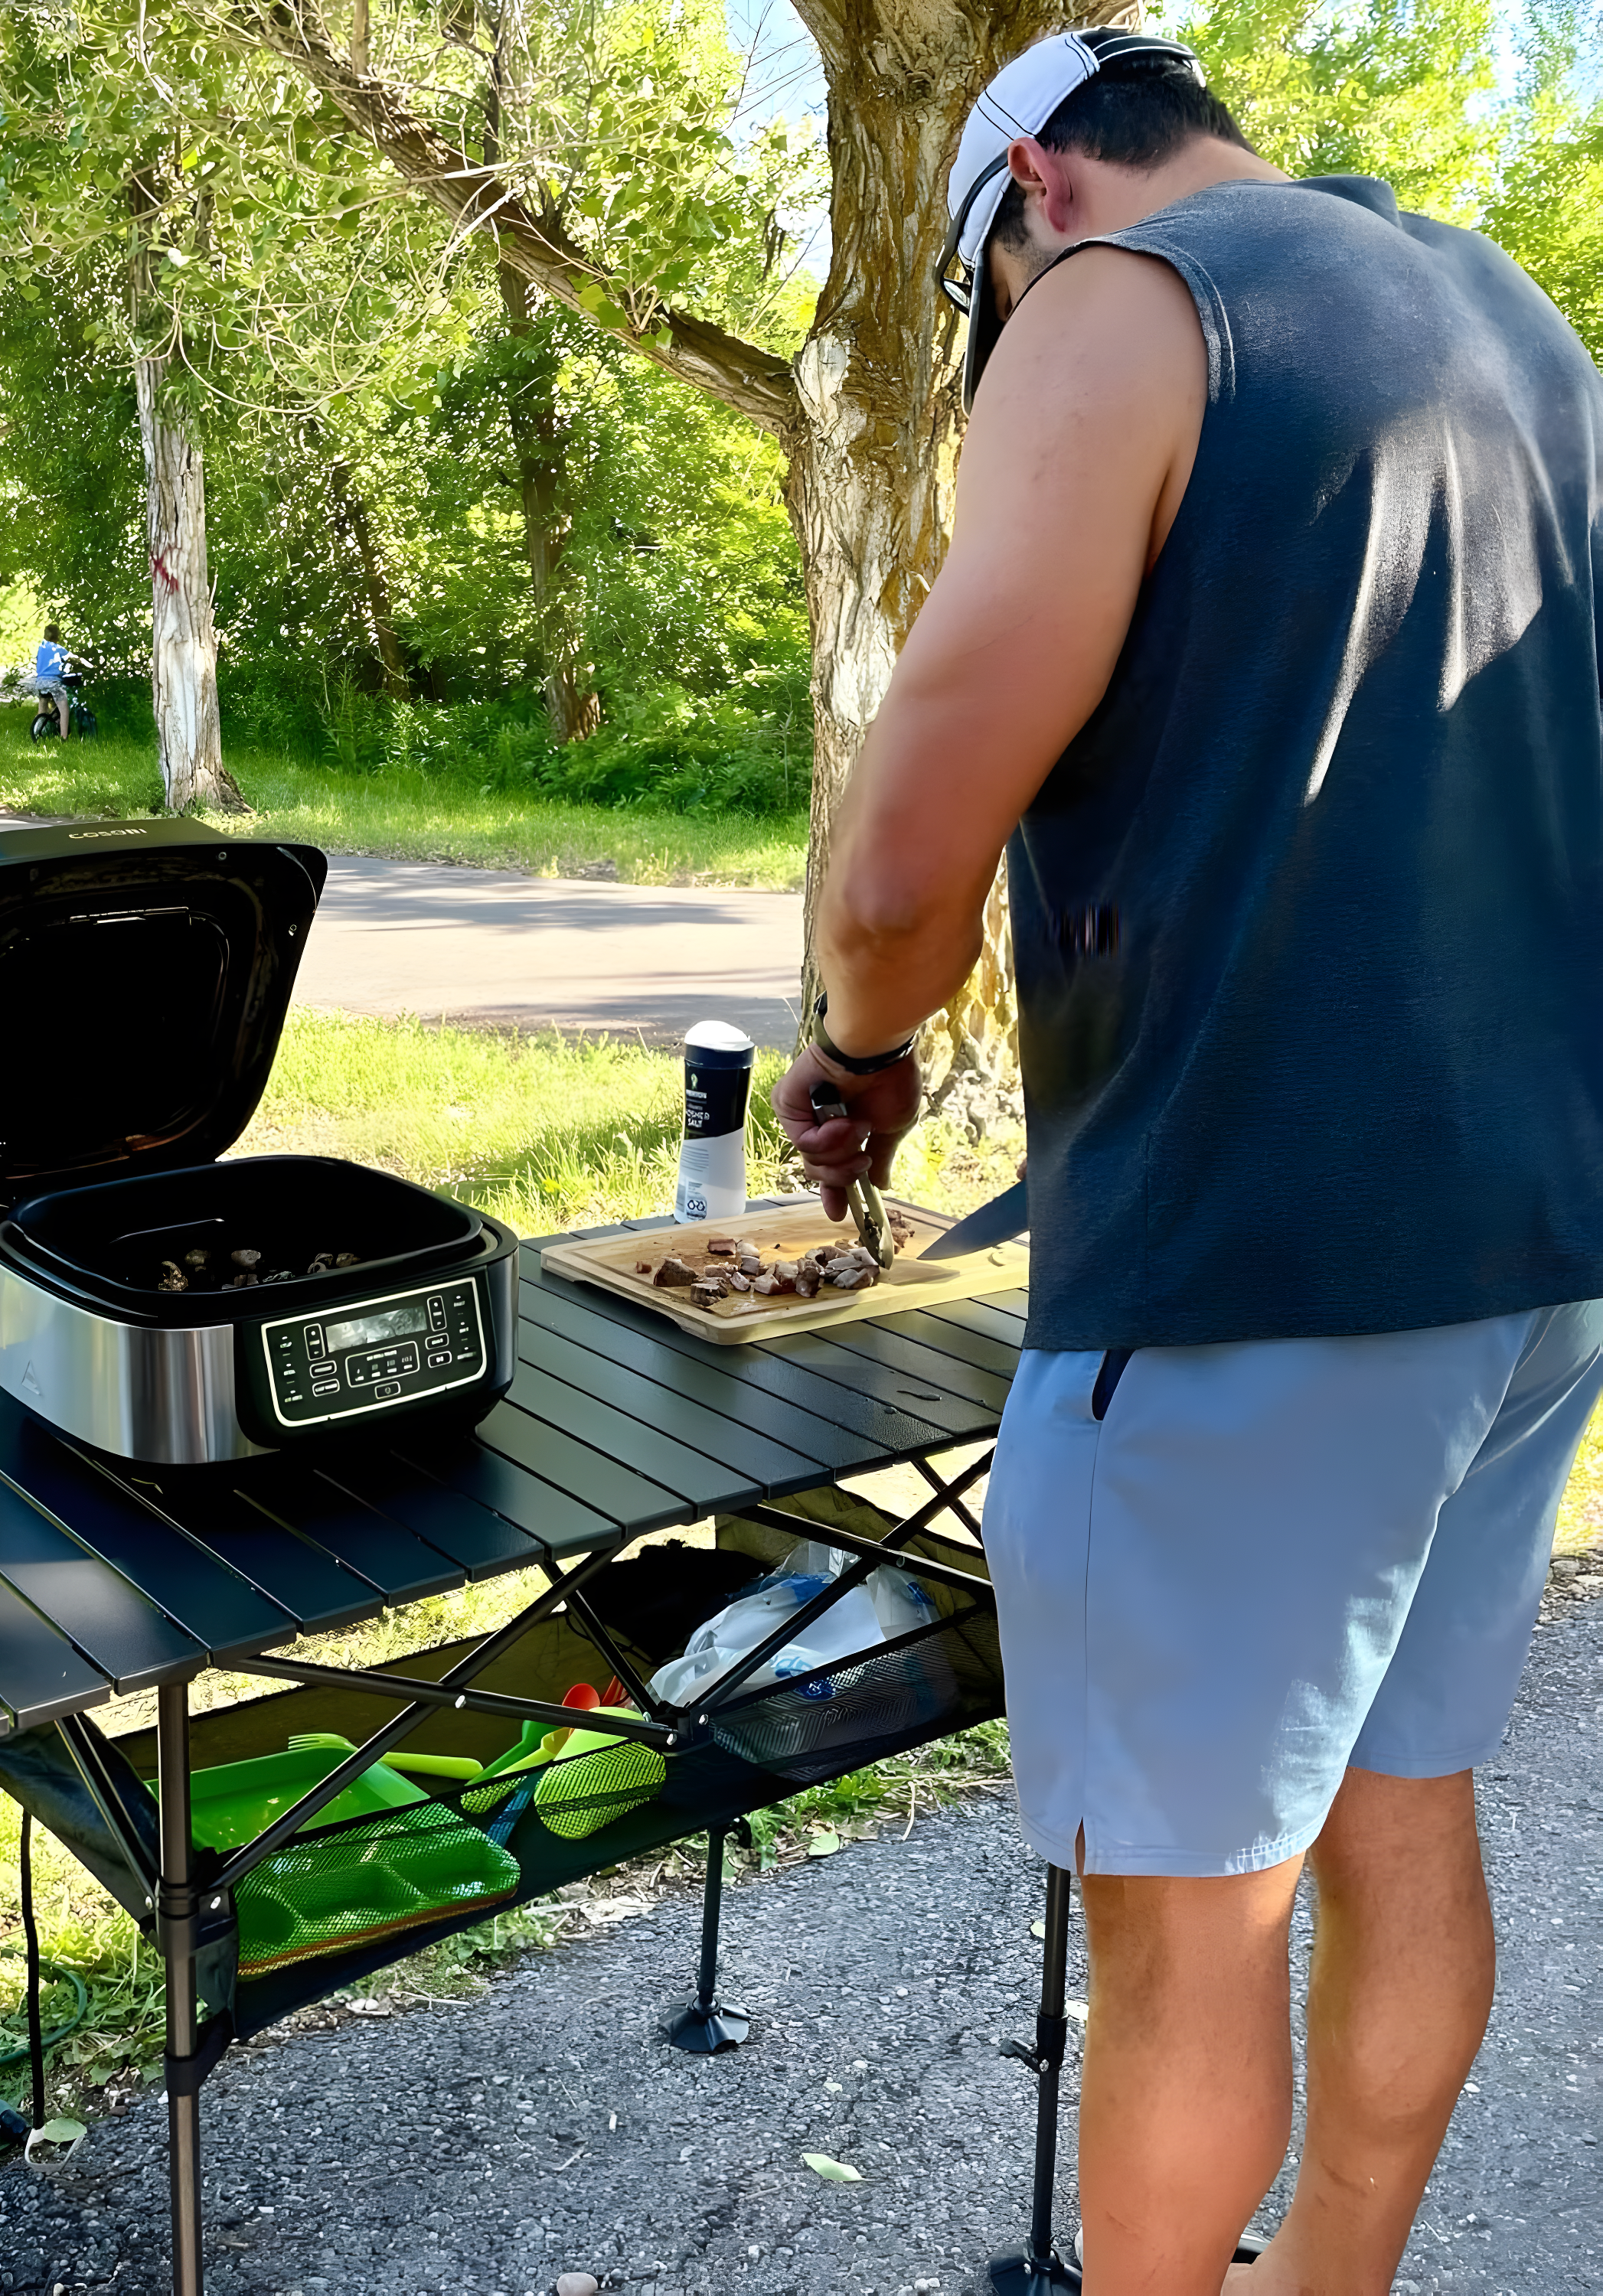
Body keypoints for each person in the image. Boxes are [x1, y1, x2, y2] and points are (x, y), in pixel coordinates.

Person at [770, 25, 1603, 2296]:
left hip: (1253, 1253)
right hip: (1526, 1242)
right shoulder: (1507, 323)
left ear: (1034, 181)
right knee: (1399, 1801)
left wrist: (855, 1047)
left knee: (1180, 1915)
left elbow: (900, 849)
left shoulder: (1128, 312)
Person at [34, 624, 88, 740]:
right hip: (53, 682)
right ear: (57, 636)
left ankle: (37, 731)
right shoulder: (57, 648)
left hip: (40, 682)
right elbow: (74, 658)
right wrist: (88, 664)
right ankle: (63, 737)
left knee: (43, 708)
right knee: (64, 708)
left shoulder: (41, 648)